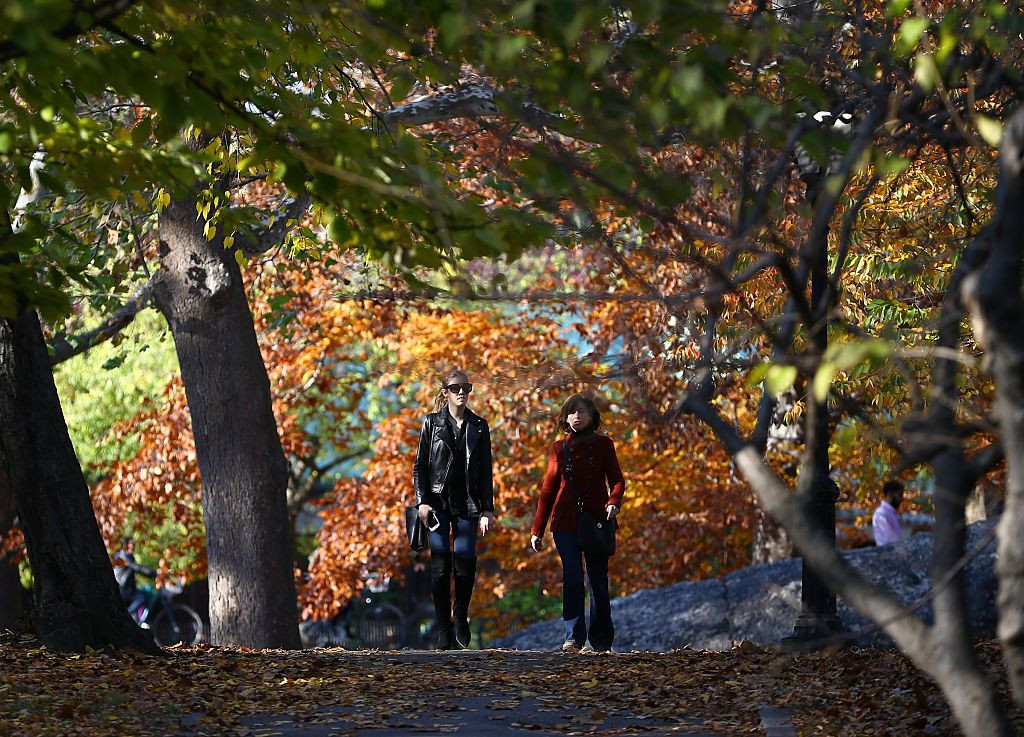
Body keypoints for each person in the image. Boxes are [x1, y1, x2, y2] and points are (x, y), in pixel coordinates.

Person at [529, 393, 625, 652]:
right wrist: (537, 530)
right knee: (572, 576)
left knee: (598, 581)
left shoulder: (605, 444)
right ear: (565, 418)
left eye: (582, 411)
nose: (577, 416)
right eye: (572, 412)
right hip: (565, 522)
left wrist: (613, 502)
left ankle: (601, 641)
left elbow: (617, 479)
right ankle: (573, 637)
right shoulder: (558, 448)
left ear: (592, 415)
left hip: (597, 520)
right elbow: (548, 491)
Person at [414, 369, 494, 649]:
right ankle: (442, 626)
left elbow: (486, 471)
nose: (462, 391)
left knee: (464, 557)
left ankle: (460, 615)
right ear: (445, 392)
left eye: (466, 387)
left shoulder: (479, 425)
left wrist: (488, 510)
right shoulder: (431, 423)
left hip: (468, 504)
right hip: (437, 503)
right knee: (440, 561)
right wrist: (422, 501)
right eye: (456, 387)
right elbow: (420, 466)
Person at [113, 536, 156, 620]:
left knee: (143, 593)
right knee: (141, 598)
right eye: (132, 544)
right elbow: (137, 568)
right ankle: (125, 616)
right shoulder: (124, 556)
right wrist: (153, 573)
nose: (134, 546)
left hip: (127, 589)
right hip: (124, 590)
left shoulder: (124, 555)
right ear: (125, 545)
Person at [872, 481, 904, 546]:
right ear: (890, 495)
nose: (902, 499)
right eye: (899, 495)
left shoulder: (890, 513)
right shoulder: (881, 513)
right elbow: (892, 541)